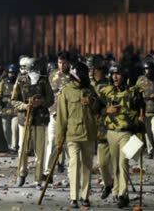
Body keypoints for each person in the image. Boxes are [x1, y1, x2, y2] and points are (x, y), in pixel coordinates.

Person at [56, 62, 99, 208]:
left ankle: (84, 196)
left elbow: (98, 109)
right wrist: (59, 140)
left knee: (87, 166)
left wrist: (91, 101)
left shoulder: (90, 89)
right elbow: (61, 118)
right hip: (72, 135)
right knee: (74, 166)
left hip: (89, 134)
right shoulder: (66, 92)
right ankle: (73, 197)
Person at [99, 63, 143, 208]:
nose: (115, 77)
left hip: (126, 133)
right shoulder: (106, 92)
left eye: (118, 74)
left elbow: (142, 107)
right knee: (115, 165)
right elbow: (97, 108)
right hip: (111, 132)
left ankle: (123, 194)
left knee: (123, 163)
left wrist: (142, 123)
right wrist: (107, 110)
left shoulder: (133, 92)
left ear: (124, 76)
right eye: (113, 74)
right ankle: (116, 192)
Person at [11, 57, 54, 190]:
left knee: (40, 151)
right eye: (32, 70)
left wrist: (41, 103)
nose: (35, 73)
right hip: (25, 120)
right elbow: (14, 100)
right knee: (22, 149)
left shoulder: (44, 80)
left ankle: (38, 179)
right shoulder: (20, 80)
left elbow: (50, 99)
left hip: (40, 120)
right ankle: (22, 173)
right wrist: (25, 106)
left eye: (37, 70)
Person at [87, 54, 113, 199]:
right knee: (102, 163)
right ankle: (109, 184)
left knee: (113, 161)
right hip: (92, 126)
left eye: (91, 67)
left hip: (109, 126)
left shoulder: (110, 82)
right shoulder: (87, 84)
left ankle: (116, 189)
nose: (89, 70)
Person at [43, 52, 71, 181]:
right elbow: (47, 93)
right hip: (54, 114)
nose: (62, 65)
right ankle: (48, 173)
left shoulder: (73, 76)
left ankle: (72, 173)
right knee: (52, 144)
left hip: (70, 116)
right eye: (60, 62)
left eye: (64, 62)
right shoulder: (52, 75)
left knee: (69, 146)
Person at [0, 64, 19, 154]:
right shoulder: (3, 82)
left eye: (13, 73)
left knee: (14, 128)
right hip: (5, 109)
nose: (11, 74)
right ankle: (9, 145)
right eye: (10, 72)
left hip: (15, 109)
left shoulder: (18, 83)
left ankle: (14, 147)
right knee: (6, 129)